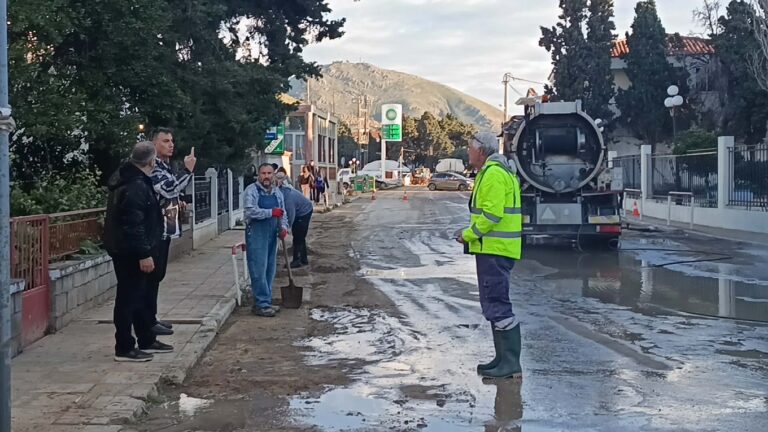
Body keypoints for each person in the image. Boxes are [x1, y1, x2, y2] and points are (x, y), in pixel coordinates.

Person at [457, 138, 523, 379]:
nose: (468, 152)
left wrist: (468, 235)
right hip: (495, 249)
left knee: (497, 303)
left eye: (471, 149)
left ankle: (510, 364)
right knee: (494, 303)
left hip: (494, 250)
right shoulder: (496, 171)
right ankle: (502, 359)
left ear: (482, 151)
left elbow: (492, 215)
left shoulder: (493, 174)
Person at [104, 142, 173, 362]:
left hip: (134, 249)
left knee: (141, 297)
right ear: (151, 161)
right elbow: (133, 224)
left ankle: (146, 339)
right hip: (130, 252)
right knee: (128, 299)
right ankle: (124, 347)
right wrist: (144, 254)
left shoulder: (135, 180)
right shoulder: (135, 185)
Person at [148, 127, 196, 336]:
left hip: (166, 229)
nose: (171, 144)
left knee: (158, 275)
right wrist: (187, 171)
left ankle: (151, 317)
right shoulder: (152, 167)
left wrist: (179, 201)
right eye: (165, 141)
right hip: (155, 230)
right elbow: (168, 188)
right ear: (153, 144)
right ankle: (147, 321)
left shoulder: (165, 166)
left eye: (172, 141)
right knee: (151, 277)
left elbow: (171, 193)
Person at [243, 163, 290, 317]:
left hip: (272, 234)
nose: (266, 176)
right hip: (256, 234)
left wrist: (283, 228)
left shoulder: (277, 193)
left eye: (269, 173)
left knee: (270, 269)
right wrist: (270, 212)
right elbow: (250, 212)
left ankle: (266, 301)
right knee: (258, 269)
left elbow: (282, 213)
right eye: (263, 173)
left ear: (273, 175)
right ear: (258, 175)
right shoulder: (251, 191)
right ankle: (261, 304)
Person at [276, 172, 313, 268]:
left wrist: (286, 228)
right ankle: (304, 259)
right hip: (300, 210)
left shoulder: (288, 198)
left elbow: (291, 214)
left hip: (304, 211)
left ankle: (297, 260)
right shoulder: (281, 191)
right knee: (300, 236)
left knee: (298, 236)